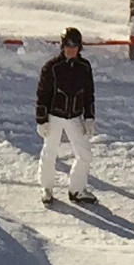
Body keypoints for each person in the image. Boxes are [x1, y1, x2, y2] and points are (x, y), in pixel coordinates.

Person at [35, 25, 97, 203]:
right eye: (68, 46)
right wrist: (42, 120)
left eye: (75, 46)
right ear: (62, 46)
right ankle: (46, 187)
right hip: (54, 117)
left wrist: (89, 117)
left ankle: (77, 190)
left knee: (85, 154)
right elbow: (42, 94)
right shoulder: (51, 67)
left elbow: (88, 93)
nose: (71, 50)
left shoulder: (84, 67)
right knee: (50, 152)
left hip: (74, 117)